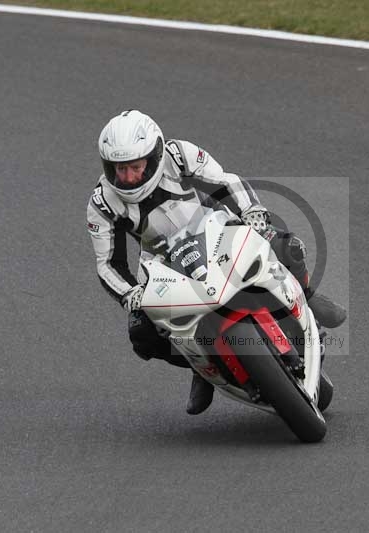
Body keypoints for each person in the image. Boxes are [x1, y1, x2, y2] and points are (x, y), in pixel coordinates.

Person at [87, 110, 346, 415]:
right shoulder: (102, 202)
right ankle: (200, 367)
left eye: (135, 167)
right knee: (143, 335)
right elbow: (108, 264)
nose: (128, 178)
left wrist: (252, 212)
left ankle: (309, 298)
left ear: (154, 156)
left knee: (287, 246)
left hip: (215, 229)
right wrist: (130, 294)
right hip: (161, 261)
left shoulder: (178, 155)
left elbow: (225, 182)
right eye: (119, 169)